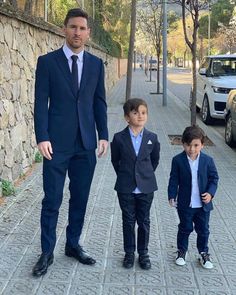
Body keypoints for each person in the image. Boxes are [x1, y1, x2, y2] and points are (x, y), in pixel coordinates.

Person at [32, 8, 108, 277]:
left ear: (88, 33)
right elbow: (40, 102)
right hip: (56, 145)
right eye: (73, 27)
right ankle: (46, 252)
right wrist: (42, 136)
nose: (77, 32)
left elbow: (99, 102)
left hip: (86, 144)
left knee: (80, 198)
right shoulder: (48, 62)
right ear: (64, 29)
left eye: (82, 28)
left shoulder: (97, 65)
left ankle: (73, 244)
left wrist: (103, 135)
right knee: (52, 199)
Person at [111, 98, 160, 270]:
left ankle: (144, 253)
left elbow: (154, 161)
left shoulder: (152, 138)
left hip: (146, 188)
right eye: (135, 112)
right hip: (125, 188)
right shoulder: (118, 139)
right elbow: (115, 161)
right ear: (126, 117)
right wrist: (127, 176)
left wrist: (143, 176)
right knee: (128, 221)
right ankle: (129, 253)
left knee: (144, 221)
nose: (140, 116)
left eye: (143, 112)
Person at [168, 126, 219, 269]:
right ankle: (181, 251)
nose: (192, 149)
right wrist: (172, 195)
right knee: (185, 228)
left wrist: (210, 193)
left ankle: (203, 252)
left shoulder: (208, 161)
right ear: (183, 144)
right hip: (185, 204)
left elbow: (214, 178)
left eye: (196, 145)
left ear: (202, 145)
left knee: (203, 230)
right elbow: (174, 179)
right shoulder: (177, 160)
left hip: (203, 205)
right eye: (188, 145)